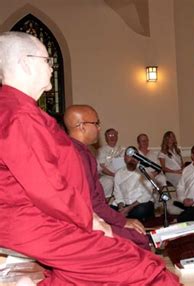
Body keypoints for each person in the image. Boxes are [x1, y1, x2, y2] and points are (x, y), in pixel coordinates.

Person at [0, 31, 178, 285]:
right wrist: (92, 222)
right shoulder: (17, 115)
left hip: (53, 217)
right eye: (46, 59)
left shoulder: (26, 111)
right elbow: (46, 186)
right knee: (141, 267)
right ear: (25, 63)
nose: (52, 66)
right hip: (33, 222)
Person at [64, 105, 150, 250]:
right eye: (96, 123)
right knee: (139, 237)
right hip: (84, 222)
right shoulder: (76, 155)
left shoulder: (80, 151)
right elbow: (90, 202)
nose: (99, 128)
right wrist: (122, 221)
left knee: (136, 231)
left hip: (94, 215)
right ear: (82, 126)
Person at [113, 150, 156, 222]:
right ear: (124, 158)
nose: (132, 159)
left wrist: (129, 208)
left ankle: (123, 217)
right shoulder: (119, 173)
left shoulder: (144, 172)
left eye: (134, 156)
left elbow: (147, 195)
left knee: (141, 211)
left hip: (140, 204)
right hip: (125, 204)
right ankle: (124, 215)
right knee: (109, 210)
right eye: (129, 156)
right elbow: (117, 193)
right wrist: (121, 207)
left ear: (138, 159)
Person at [167, 145, 194, 215]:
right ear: (192, 155)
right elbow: (180, 187)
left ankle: (186, 214)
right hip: (186, 202)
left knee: (191, 213)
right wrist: (183, 199)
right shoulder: (186, 169)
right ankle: (186, 212)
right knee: (168, 203)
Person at [97, 128, 124, 200]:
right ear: (106, 137)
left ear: (117, 137)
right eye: (110, 135)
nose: (112, 137)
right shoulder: (101, 150)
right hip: (107, 176)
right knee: (109, 182)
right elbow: (101, 168)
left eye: (114, 135)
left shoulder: (121, 150)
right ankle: (104, 203)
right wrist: (113, 175)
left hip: (121, 175)